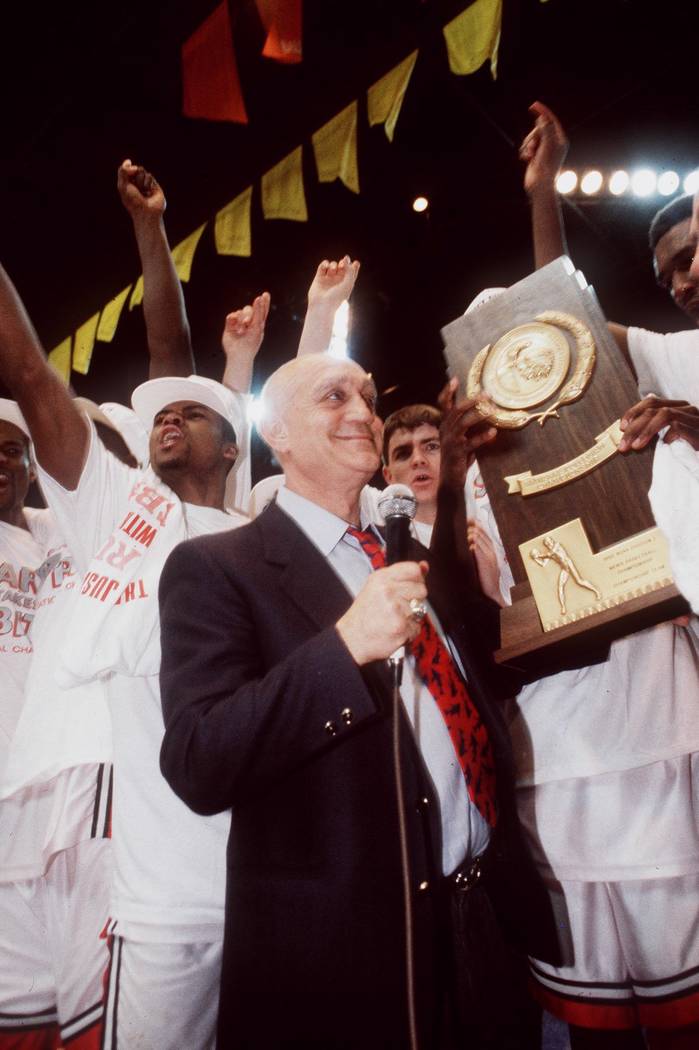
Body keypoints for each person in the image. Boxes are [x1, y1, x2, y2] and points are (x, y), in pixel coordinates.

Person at [158, 351, 561, 1050]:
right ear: (275, 434)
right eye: (333, 396)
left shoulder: (405, 554)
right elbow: (199, 760)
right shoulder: (218, 567)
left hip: (482, 928)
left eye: (368, 398)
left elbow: (489, 681)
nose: (362, 413)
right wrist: (342, 647)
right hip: (348, 960)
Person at [467, 104, 699, 1049]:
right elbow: (553, 332)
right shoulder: (664, 353)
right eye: (674, 265)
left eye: (697, 252)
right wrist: (542, 193)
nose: (688, 274)